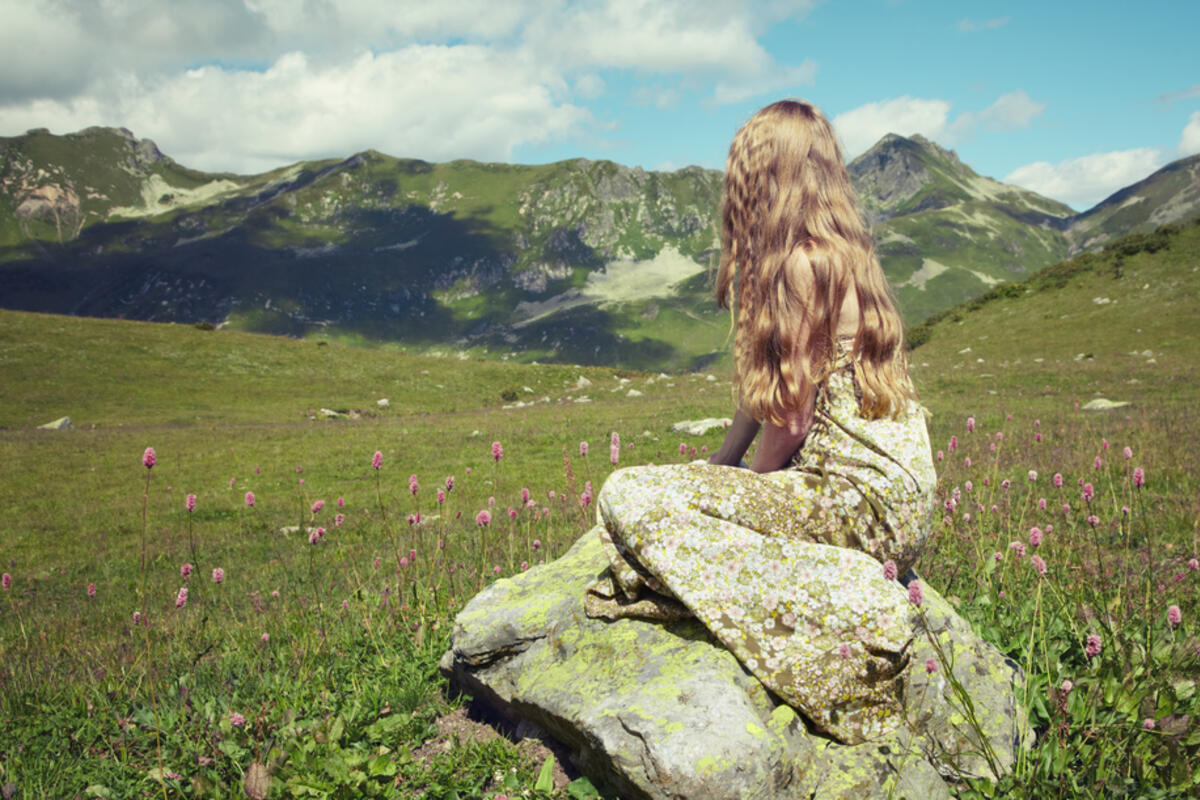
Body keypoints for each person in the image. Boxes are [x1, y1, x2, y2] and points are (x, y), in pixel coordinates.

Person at [584, 99, 937, 745]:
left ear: (766, 177)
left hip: (846, 500)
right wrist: (723, 463)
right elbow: (770, 393)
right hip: (898, 505)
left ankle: (842, 603)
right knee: (680, 490)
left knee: (624, 492)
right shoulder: (847, 256)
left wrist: (748, 491)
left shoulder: (796, 266)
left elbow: (792, 415)